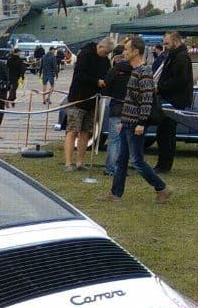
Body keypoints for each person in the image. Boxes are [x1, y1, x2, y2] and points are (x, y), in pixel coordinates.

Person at [103, 36, 170, 203]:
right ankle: (115, 193)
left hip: (136, 124)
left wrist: (141, 123)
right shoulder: (134, 71)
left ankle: (161, 187)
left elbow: (147, 100)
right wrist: (123, 121)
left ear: (135, 52)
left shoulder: (144, 72)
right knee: (122, 160)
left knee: (137, 161)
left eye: (127, 49)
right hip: (128, 122)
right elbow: (130, 100)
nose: (124, 53)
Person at [62, 38, 112, 170]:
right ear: (100, 47)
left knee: (86, 132)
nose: (106, 55)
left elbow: (107, 74)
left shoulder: (105, 61)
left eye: (108, 53)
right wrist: (96, 81)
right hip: (78, 99)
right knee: (72, 131)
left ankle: (80, 162)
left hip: (93, 101)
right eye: (105, 52)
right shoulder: (85, 54)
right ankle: (68, 163)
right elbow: (79, 75)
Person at [153, 30, 193, 173]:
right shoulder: (174, 55)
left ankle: (164, 165)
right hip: (169, 98)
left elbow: (180, 80)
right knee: (163, 133)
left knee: (166, 134)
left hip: (173, 100)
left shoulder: (181, 57)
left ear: (175, 41)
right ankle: (163, 163)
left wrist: (160, 87)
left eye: (167, 43)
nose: (165, 46)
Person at [99, 39, 133, 176]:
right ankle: (122, 168)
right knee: (126, 141)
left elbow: (106, 90)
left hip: (117, 108)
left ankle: (111, 168)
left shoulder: (114, 70)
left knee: (114, 140)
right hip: (131, 110)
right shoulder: (135, 70)